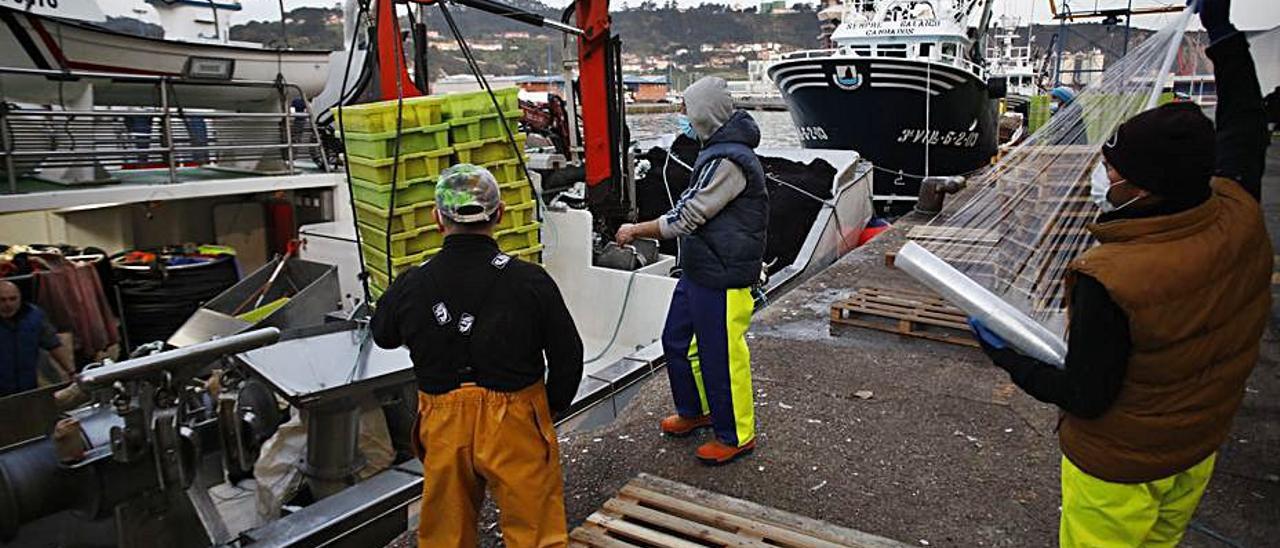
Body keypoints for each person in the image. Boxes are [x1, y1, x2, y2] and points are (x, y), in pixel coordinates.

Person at [970, 1, 1271, 546]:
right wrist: (1223, 36)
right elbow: (1246, 122)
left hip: (1119, 470)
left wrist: (1004, 354)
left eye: (1112, 169)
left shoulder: (1110, 277)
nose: (1103, 177)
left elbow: (1084, 394)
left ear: (1143, 186)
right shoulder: (1238, 209)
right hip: (1196, 447)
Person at [371, 164, 583, 547]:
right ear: (499, 215)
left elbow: (383, 335)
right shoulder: (529, 280)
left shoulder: (413, 282)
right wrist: (547, 410)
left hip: (442, 417)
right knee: (535, 533)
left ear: (438, 219)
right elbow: (568, 355)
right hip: (516, 417)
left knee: (445, 535)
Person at [616, 76, 768, 465]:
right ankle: (695, 409)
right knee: (678, 341)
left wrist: (636, 230)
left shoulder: (730, 161)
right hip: (701, 268)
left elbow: (687, 217)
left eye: (686, 106)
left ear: (704, 112)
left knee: (722, 356)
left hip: (724, 274)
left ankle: (736, 434)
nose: (682, 114)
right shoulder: (714, 152)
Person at [1, 280, 75, 397]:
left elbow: (53, 344)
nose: (8, 304)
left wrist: (72, 372)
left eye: (13, 299)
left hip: (27, 388)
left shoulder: (34, 316)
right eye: (2, 300)